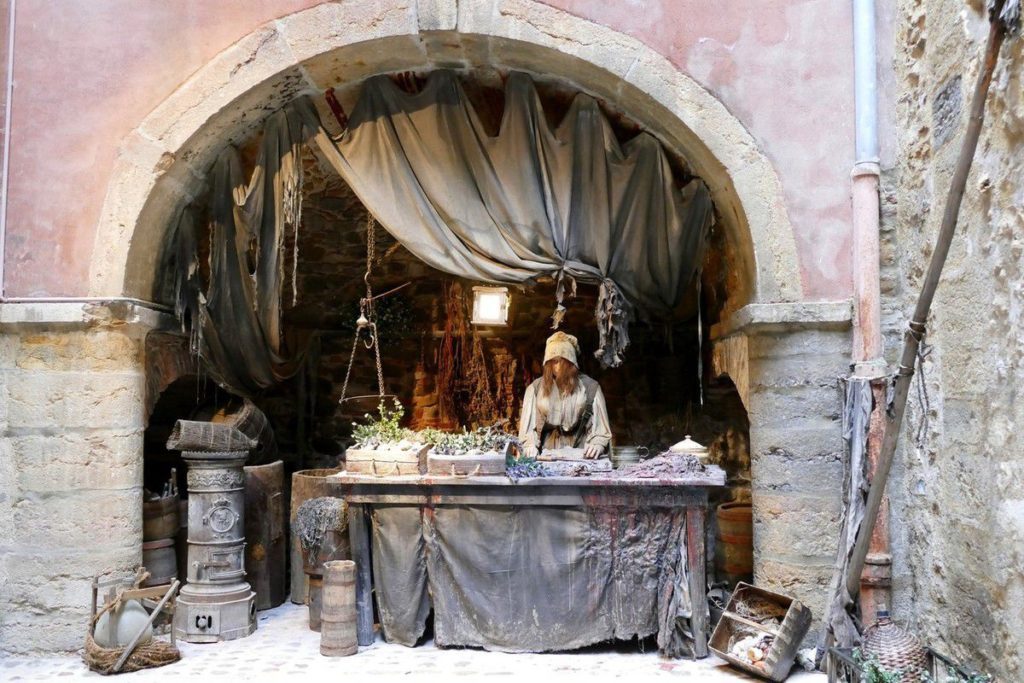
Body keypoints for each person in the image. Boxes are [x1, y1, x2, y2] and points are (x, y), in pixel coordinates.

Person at [518, 331, 612, 459]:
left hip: (582, 452)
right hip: (548, 452)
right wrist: (529, 445)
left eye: (562, 362)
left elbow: (601, 428)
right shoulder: (535, 389)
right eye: (553, 361)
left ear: (571, 362)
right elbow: (528, 429)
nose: (557, 367)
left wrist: (598, 444)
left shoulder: (591, 388)